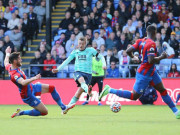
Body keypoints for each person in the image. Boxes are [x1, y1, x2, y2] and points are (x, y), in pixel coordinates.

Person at [99, 25, 180, 119]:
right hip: (144, 74)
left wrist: (134, 57)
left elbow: (128, 50)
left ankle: (176, 112)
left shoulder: (140, 41)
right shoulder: (152, 44)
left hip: (152, 72)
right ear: (154, 32)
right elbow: (151, 60)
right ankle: (109, 90)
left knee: (163, 90)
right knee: (134, 96)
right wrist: (162, 57)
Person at [4, 46, 75, 118]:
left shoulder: (10, 66)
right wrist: (34, 78)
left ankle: (63, 107)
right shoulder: (14, 74)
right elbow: (23, 82)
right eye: (19, 59)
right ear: (15, 61)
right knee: (44, 112)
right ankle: (21, 112)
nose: (21, 60)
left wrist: (7, 53)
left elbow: (6, 62)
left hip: (32, 87)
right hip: (27, 95)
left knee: (52, 88)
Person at [52, 37, 105, 114]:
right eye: (79, 43)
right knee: (82, 81)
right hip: (78, 72)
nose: (80, 45)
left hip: (88, 74)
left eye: (82, 44)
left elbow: (101, 57)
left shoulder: (90, 50)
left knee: (78, 93)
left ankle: (66, 108)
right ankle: (88, 92)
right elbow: (67, 61)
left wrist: (104, 64)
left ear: (85, 44)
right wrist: (58, 69)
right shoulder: (75, 52)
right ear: (78, 43)